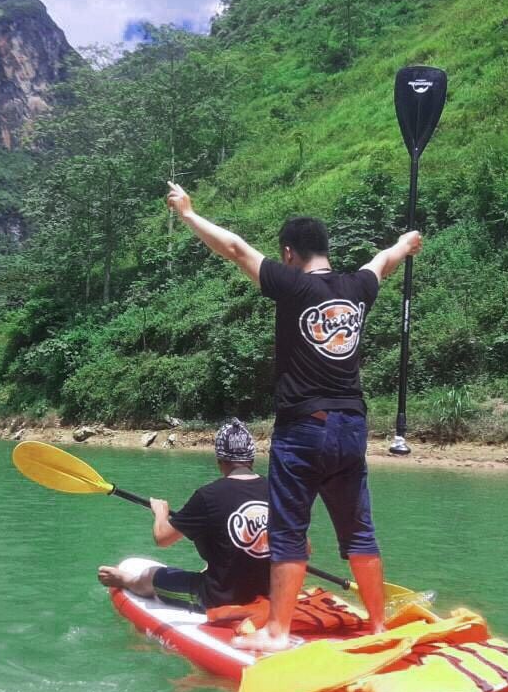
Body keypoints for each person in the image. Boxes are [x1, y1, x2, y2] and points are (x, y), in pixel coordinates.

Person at [165, 181, 421, 650]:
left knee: (287, 531)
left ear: (288, 253)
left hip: (304, 426)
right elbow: (382, 261)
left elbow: (235, 249)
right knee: (359, 532)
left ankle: (278, 632)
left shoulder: (292, 284)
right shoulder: (357, 286)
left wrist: (187, 214)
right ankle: (379, 627)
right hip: (352, 427)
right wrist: (406, 244)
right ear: (324, 248)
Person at [97, 419, 270, 612]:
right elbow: (302, 550)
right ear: (252, 458)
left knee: (150, 575)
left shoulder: (208, 496)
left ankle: (127, 580)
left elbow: (162, 538)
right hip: (271, 595)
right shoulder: (278, 492)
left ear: (219, 460)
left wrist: (160, 513)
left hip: (218, 598)